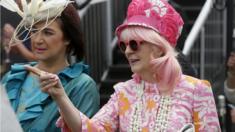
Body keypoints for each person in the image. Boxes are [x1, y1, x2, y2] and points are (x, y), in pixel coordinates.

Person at [26, 0, 220, 131]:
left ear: (159, 48)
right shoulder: (124, 93)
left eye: (134, 44)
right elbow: (90, 129)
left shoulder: (196, 90)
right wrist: (59, 95)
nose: (127, 51)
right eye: (123, 45)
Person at [0, 0, 100, 131]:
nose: (37, 40)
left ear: (68, 38)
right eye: (34, 31)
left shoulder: (82, 86)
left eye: (47, 32)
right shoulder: (11, 78)